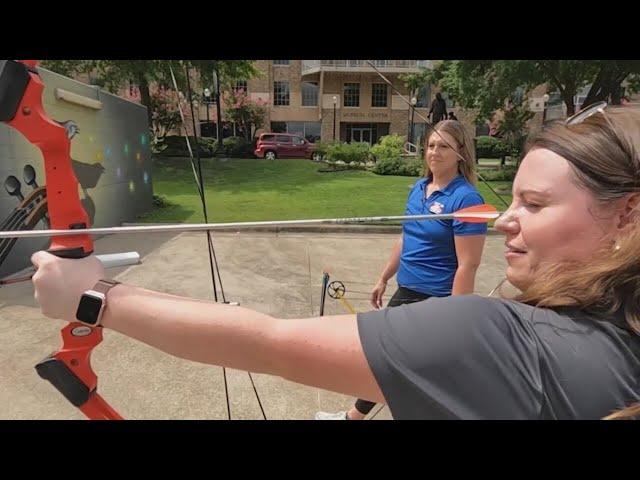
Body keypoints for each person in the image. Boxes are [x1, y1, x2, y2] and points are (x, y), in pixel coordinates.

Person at [29, 104, 640, 420]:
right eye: (513, 200)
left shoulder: (492, 338)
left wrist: (91, 297)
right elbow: (407, 236)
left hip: (441, 306)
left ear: (626, 216)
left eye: (533, 204)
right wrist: (383, 275)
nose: (508, 218)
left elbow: (265, 341)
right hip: (418, 299)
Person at [316, 120, 488, 420]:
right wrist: (383, 278)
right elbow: (406, 238)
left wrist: (457, 317)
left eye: (444, 146)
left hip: (436, 299)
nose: (435, 152)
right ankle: (353, 418)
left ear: (461, 153)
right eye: (431, 145)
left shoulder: (467, 199)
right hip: (407, 289)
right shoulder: (419, 189)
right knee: (390, 365)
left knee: (392, 364)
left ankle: (351, 419)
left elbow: (468, 264)